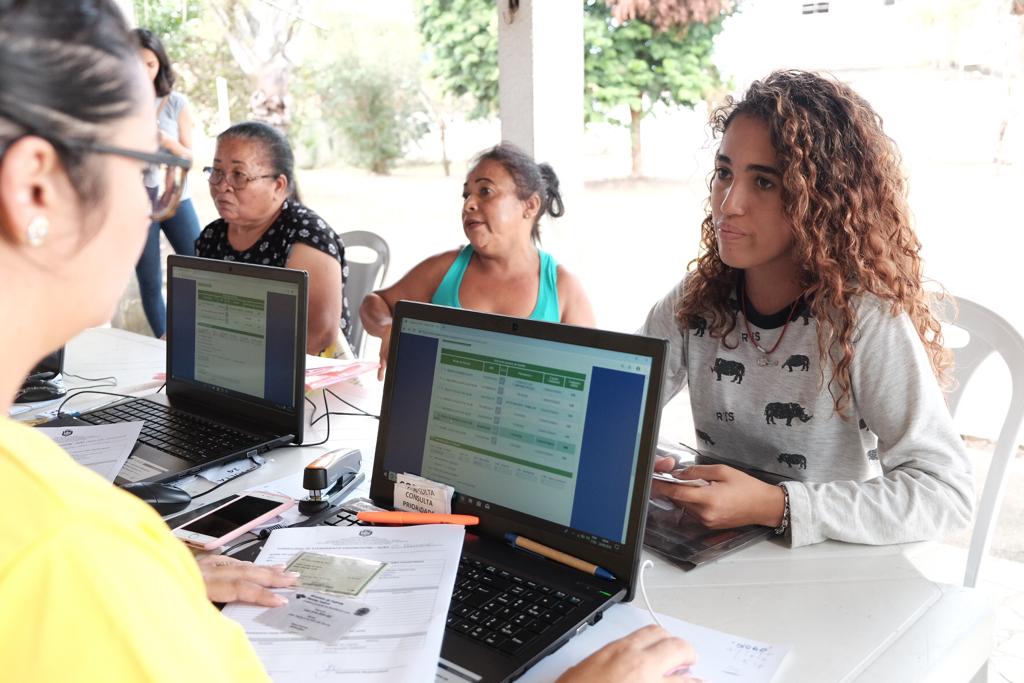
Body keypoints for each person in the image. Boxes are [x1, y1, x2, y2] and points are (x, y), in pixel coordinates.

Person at [0, 3, 697, 679]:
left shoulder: (50, 508)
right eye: (146, 165)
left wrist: (159, 568)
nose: (163, 199)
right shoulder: (65, 549)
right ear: (35, 190)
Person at [644, 70, 974, 548]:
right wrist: (638, 458)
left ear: (820, 200)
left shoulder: (862, 317)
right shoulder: (699, 298)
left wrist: (775, 506)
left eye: (764, 182)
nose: (728, 204)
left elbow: (947, 492)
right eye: (723, 173)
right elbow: (620, 405)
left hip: (829, 575)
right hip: (718, 559)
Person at [361, 143, 596, 379]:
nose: (468, 205)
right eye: (466, 195)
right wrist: (387, 328)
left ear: (530, 205)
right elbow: (375, 302)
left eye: (485, 191)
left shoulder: (562, 288)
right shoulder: (445, 270)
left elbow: (592, 373)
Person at [195, 121, 352, 357]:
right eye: (217, 172)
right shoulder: (212, 236)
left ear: (278, 186)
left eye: (239, 175)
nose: (222, 186)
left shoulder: (305, 237)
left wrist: (240, 364)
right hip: (226, 368)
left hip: (306, 381)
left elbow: (318, 336)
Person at [133, 27, 202, 338]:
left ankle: (201, 334)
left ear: (160, 64)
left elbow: (190, 158)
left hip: (177, 197)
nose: (144, 71)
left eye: (151, 64)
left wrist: (164, 141)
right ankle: (162, 344)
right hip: (138, 202)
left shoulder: (176, 103)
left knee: (201, 267)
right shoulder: (118, 105)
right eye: (136, 63)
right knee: (149, 280)